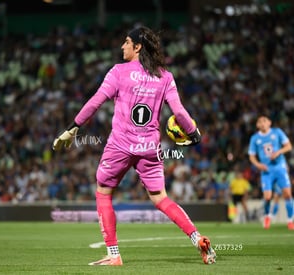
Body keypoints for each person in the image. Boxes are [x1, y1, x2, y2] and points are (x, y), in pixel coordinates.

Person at [52, 26, 216, 265]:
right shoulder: (165, 76)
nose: (123, 46)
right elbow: (179, 112)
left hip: (120, 146)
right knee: (161, 198)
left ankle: (114, 255)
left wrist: (72, 128)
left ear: (137, 47)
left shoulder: (119, 72)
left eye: (127, 42)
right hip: (149, 148)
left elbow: (96, 101)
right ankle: (197, 238)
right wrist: (194, 134)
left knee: (103, 192)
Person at [248, 115, 294, 230]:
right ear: (257, 125)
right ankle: (267, 216)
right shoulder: (255, 138)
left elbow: (288, 146)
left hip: (280, 168)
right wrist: (258, 165)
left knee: (287, 194)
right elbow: (252, 156)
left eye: (264, 121)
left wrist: (278, 152)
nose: (262, 123)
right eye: (260, 121)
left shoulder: (277, 132)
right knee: (267, 197)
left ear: (269, 123)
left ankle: (290, 220)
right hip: (266, 170)